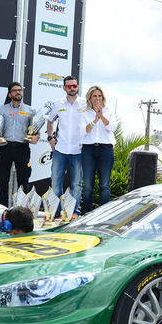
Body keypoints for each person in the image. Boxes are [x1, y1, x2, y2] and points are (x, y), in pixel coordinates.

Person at [0, 82, 39, 207]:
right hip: (5, 147)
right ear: (9, 94)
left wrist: (36, 138)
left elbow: (36, 131)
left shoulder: (30, 110)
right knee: (3, 179)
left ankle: (22, 208)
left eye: (20, 90)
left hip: (22, 148)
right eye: (15, 90)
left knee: (23, 179)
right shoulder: (1, 110)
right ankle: (1, 207)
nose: (18, 92)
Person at [46, 76, 86, 218]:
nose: (72, 88)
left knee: (76, 184)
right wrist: (50, 138)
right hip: (60, 149)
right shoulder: (58, 104)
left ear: (77, 86)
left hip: (78, 150)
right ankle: (56, 212)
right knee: (56, 182)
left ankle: (73, 212)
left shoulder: (85, 104)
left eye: (74, 85)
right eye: (69, 86)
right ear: (64, 88)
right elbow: (50, 121)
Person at [81, 85, 117, 214]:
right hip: (88, 150)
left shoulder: (109, 112)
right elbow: (83, 131)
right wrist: (95, 120)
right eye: (95, 96)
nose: (97, 98)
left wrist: (101, 116)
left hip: (106, 150)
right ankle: (85, 214)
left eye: (99, 96)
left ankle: (103, 215)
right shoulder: (84, 113)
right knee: (88, 187)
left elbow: (112, 127)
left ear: (103, 98)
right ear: (90, 98)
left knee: (104, 185)